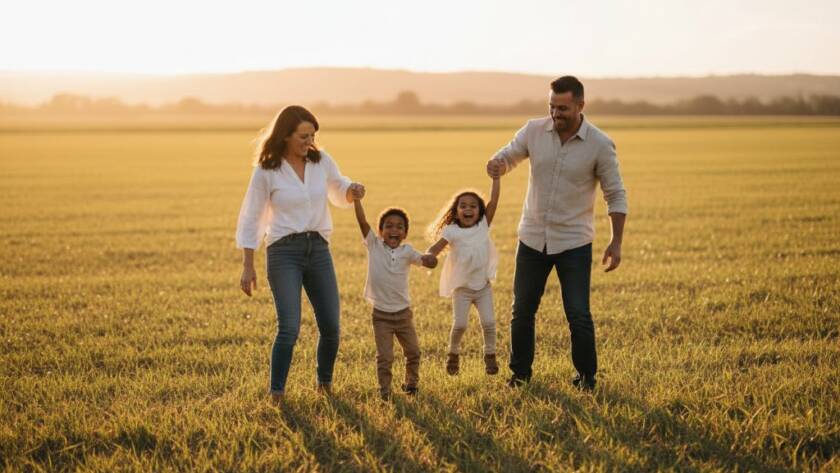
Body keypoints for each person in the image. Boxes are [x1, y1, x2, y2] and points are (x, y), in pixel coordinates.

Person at [486, 75, 628, 391]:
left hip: (574, 242)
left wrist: (616, 242)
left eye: (562, 108)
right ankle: (520, 375)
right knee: (521, 311)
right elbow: (510, 154)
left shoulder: (600, 145)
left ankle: (587, 377)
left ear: (580, 105)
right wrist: (497, 163)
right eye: (551, 106)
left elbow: (615, 194)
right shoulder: (533, 130)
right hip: (532, 238)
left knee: (578, 314)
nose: (555, 114)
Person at [236, 105, 365, 403]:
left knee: (332, 326)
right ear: (285, 136)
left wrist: (352, 189)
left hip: (318, 249)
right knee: (289, 328)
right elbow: (251, 217)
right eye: (303, 136)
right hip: (284, 253)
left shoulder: (322, 162)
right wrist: (248, 265)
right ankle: (277, 394)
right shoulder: (267, 171)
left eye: (313, 136)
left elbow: (338, 187)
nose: (310, 142)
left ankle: (325, 386)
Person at [353, 198, 437, 400]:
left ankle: (411, 384)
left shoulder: (407, 251)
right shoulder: (374, 245)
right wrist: (357, 200)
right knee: (385, 357)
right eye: (388, 226)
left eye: (400, 227)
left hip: (403, 314)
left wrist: (431, 260)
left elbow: (425, 261)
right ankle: (385, 391)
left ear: (405, 233)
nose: (394, 230)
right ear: (380, 231)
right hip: (381, 315)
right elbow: (362, 222)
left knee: (414, 352)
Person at [426, 176, 500, 376]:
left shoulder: (483, 225)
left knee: (489, 323)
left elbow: (494, 201)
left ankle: (490, 355)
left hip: (483, 287)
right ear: (456, 212)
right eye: (463, 206)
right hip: (462, 288)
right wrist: (428, 256)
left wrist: (496, 178)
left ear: (480, 211)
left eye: (473, 206)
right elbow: (436, 247)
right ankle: (453, 354)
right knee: (460, 324)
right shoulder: (452, 231)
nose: (468, 209)